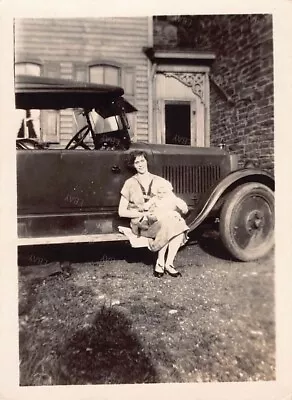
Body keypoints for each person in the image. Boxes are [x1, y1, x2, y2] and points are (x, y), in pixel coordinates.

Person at [118, 150, 189, 278]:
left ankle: (167, 263)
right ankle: (161, 262)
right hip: (141, 223)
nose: (140, 165)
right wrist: (141, 213)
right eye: (136, 162)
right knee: (173, 224)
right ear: (133, 165)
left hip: (159, 220)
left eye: (142, 161)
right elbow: (121, 212)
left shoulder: (159, 181)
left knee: (176, 222)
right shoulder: (129, 183)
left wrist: (177, 210)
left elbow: (173, 200)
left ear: (146, 162)